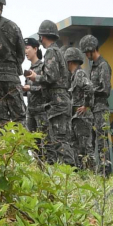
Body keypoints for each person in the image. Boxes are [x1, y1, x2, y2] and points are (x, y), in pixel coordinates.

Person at [36, 20, 73, 163]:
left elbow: (50, 77)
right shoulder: (59, 52)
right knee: (62, 140)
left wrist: (35, 77)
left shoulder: (51, 52)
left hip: (58, 102)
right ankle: (70, 174)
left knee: (60, 141)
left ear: (42, 37)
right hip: (61, 100)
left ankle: (70, 173)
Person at [79, 32, 113, 175]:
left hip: (101, 110)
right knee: (93, 142)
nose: (86, 55)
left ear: (92, 49)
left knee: (102, 143)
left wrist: (90, 90)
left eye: (87, 51)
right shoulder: (93, 66)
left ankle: (106, 173)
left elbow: (105, 89)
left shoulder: (103, 65)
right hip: (93, 110)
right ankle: (96, 173)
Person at [71, 45, 94, 169]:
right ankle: (83, 174)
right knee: (79, 149)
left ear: (69, 61)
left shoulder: (79, 73)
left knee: (86, 148)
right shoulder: (74, 76)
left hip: (83, 117)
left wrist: (86, 105)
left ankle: (93, 176)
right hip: (77, 118)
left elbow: (89, 87)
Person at [23, 34, 41, 131]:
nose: (25, 52)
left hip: (41, 111)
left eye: (27, 48)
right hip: (30, 111)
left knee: (44, 140)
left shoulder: (43, 67)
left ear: (35, 49)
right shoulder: (29, 69)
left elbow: (45, 87)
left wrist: (30, 88)